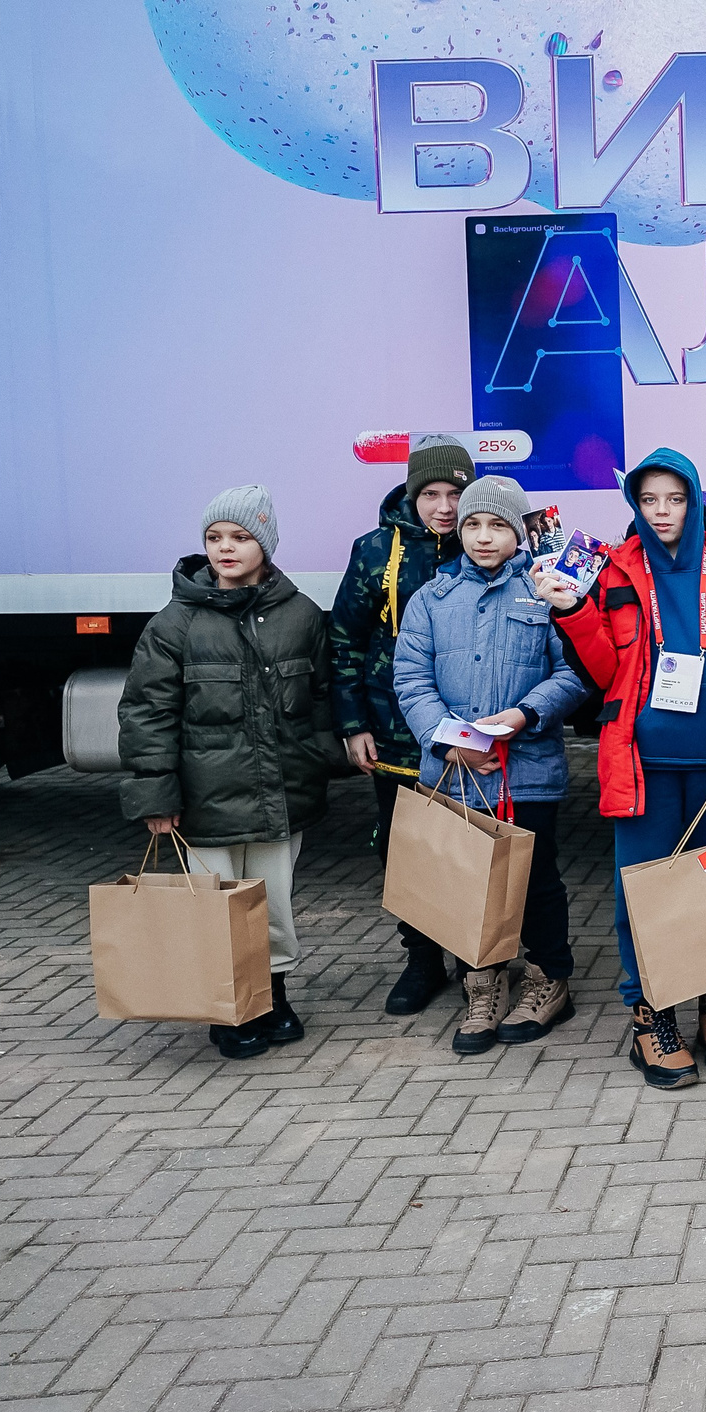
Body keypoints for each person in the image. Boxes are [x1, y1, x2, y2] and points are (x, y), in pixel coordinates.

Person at [543, 449, 706, 1091]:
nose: (662, 512)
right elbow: (603, 672)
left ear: (694, 499)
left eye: (674, 500)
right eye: (649, 500)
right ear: (635, 503)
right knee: (644, 892)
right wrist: (571, 611)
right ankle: (651, 1015)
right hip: (643, 766)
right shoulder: (615, 568)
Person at [118, 485, 340, 1059]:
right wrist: (155, 796)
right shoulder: (175, 624)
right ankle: (228, 1008)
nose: (225, 548)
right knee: (215, 902)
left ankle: (273, 997)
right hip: (205, 799)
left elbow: (319, 701)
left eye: (240, 537)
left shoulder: (300, 616)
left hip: (278, 795)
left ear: (265, 544)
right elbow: (147, 712)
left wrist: (319, 764)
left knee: (274, 901)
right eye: (215, 538)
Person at [392, 476, 590, 1056]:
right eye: (474, 523)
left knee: (535, 880)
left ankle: (548, 979)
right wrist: (445, 739)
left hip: (525, 769)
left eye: (499, 525)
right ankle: (482, 985)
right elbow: (411, 679)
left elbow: (575, 672)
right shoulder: (432, 599)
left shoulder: (546, 592)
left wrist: (527, 714)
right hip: (457, 772)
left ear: (520, 530)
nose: (484, 536)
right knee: (469, 880)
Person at [329, 439, 469, 1016]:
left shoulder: (491, 541)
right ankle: (421, 960)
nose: (443, 507)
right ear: (412, 495)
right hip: (393, 730)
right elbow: (344, 640)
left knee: (471, 843)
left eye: (455, 494)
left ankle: (478, 958)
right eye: (431, 494)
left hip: (471, 732)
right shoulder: (373, 552)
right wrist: (354, 722)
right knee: (406, 847)